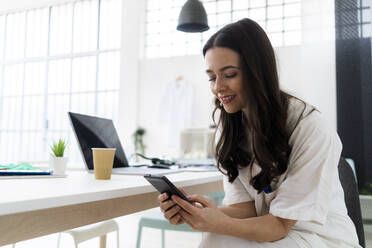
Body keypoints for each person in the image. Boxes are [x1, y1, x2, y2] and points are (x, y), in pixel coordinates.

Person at [157, 18, 361, 248]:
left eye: (230, 74)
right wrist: (199, 213)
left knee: (219, 240)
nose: (217, 87)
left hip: (319, 238)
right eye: (212, 78)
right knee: (215, 240)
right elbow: (246, 209)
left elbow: (280, 225)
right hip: (271, 230)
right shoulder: (230, 128)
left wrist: (217, 223)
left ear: (258, 72)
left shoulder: (309, 126)